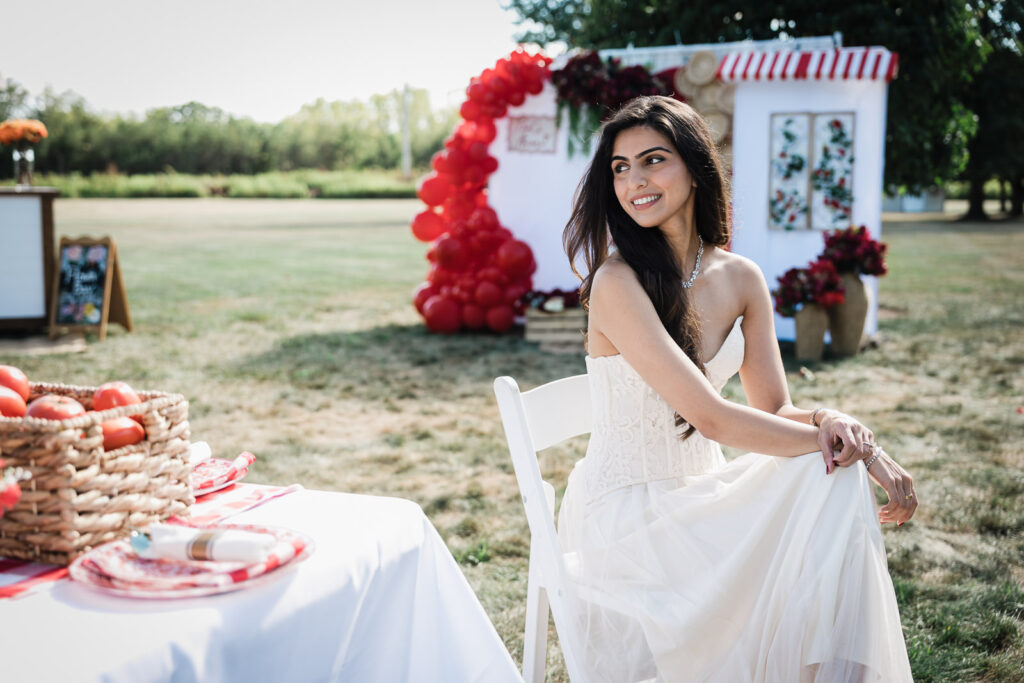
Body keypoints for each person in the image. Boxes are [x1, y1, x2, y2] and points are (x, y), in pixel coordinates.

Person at [557, 95, 917, 682]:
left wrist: (832, 421)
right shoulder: (616, 282)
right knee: (835, 467)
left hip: (702, 494)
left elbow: (774, 409)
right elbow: (715, 418)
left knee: (828, 471)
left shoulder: (740, 277)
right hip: (627, 515)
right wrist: (866, 454)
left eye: (653, 161)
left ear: (696, 168)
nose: (634, 181)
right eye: (620, 168)